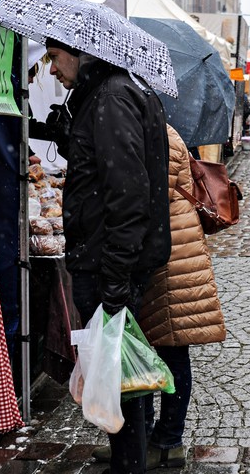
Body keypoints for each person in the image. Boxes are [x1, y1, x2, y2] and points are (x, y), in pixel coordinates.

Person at [44, 36, 172, 474]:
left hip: (106, 262)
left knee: (121, 380)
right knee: (117, 376)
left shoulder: (112, 97)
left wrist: (116, 276)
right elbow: (105, 172)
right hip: (106, 258)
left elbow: (128, 195)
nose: (52, 69)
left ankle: (128, 464)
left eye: (55, 57)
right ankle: (126, 459)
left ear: (80, 53)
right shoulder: (107, 94)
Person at [92, 124, 227, 470]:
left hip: (172, 257)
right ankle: (143, 435)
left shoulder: (161, 135)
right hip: (165, 252)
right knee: (150, 346)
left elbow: (152, 198)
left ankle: (167, 441)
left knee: (170, 349)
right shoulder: (150, 129)